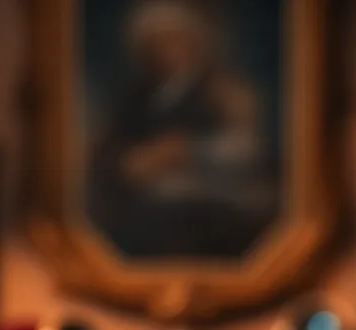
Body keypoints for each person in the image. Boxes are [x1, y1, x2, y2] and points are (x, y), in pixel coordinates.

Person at [87, 0, 278, 258]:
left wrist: (187, 151)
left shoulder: (222, 92)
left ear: (194, 43)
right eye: (158, 43)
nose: (167, 51)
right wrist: (133, 163)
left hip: (209, 210)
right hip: (145, 212)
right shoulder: (136, 98)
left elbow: (249, 152)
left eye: (175, 40)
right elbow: (109, 150)